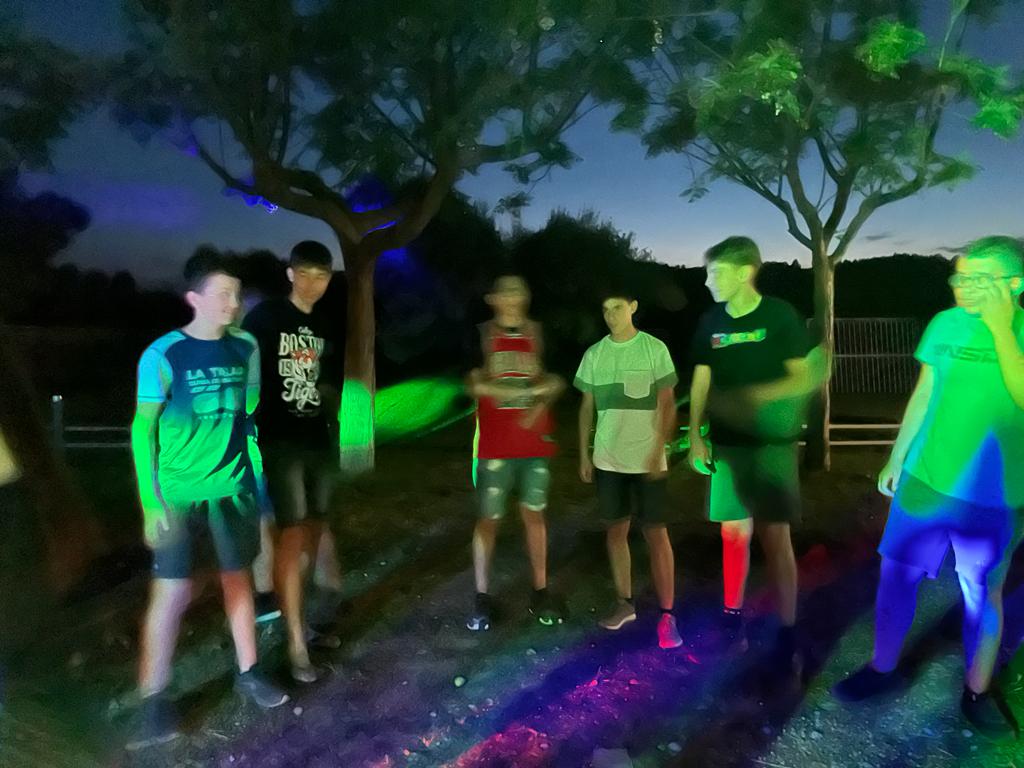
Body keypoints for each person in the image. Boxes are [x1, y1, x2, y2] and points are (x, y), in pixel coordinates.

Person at [834, 236, 1024, 742]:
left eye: (979, 279)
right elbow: (924, 393)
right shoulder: (944, 324)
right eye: (960, 276)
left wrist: (1002, 328)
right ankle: (882, 668)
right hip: (925, 482)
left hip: (994, 495)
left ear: (1014, 284)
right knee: (896, 576)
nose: (963, 286)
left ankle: (977, 692)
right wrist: (897, 456)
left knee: (981, 593)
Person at [128, 252, 288, 751]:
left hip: (233, 489)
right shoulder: (163, 354)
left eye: (236, 294)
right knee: (172, 593)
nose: (233, 303)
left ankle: (249, 672)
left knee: (238, 579)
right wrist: (151, 502)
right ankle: (154, 700)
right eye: (222, 294)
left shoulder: (245, 347)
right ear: (194, 299)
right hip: (179, 495)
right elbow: (142, 429)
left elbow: (250, 406)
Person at [687, 236, 822, 671]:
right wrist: (696, 434)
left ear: (745, 272)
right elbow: (701, 380)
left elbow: (802, 377)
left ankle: (787, 628)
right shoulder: (710, 321)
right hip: (727, 445)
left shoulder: (779, 316)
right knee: (733, 534)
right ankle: (732, 615)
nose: (708, 281)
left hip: (771, 449)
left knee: (775, 537)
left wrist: (755, 399)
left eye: (716, 273)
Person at [242, 240, 342, 682]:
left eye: (321, 276)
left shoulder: (325, 323)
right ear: (290, 274)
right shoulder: (265, 318)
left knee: (315, 531)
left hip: (317, 441)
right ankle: (296, 646)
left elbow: (329, 379)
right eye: (304, 274)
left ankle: (307, 624)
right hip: (279, 443)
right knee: (291, 535)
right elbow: (246, 375)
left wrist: (329, 402)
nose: (312, 283)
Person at [575, 290, 683, 649]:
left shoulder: (653, 349)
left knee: (656, 534)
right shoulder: (595, 354)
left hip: (648, 460)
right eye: (605, 309)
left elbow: (668, 404)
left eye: (617, 308)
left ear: (633, 307)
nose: (611, 315)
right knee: (615, 531)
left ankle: (667, 615)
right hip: (608, 460)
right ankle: (624, 603)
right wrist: (584, 454)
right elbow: (586, 407)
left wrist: (658, 449)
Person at [465, 276, 565, 631]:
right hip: (493, 445)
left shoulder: (539, 334)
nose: (512, 298)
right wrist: (506, 391)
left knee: (535, 516)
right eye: (504, 292)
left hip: (534, 444)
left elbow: (555, 380)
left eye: (518, 291)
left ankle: (541, 589)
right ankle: (481, 597)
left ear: (527, 296)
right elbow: (473, 382)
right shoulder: (480, 335)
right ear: (492, 299)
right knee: (488, 519)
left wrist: (540, 400)